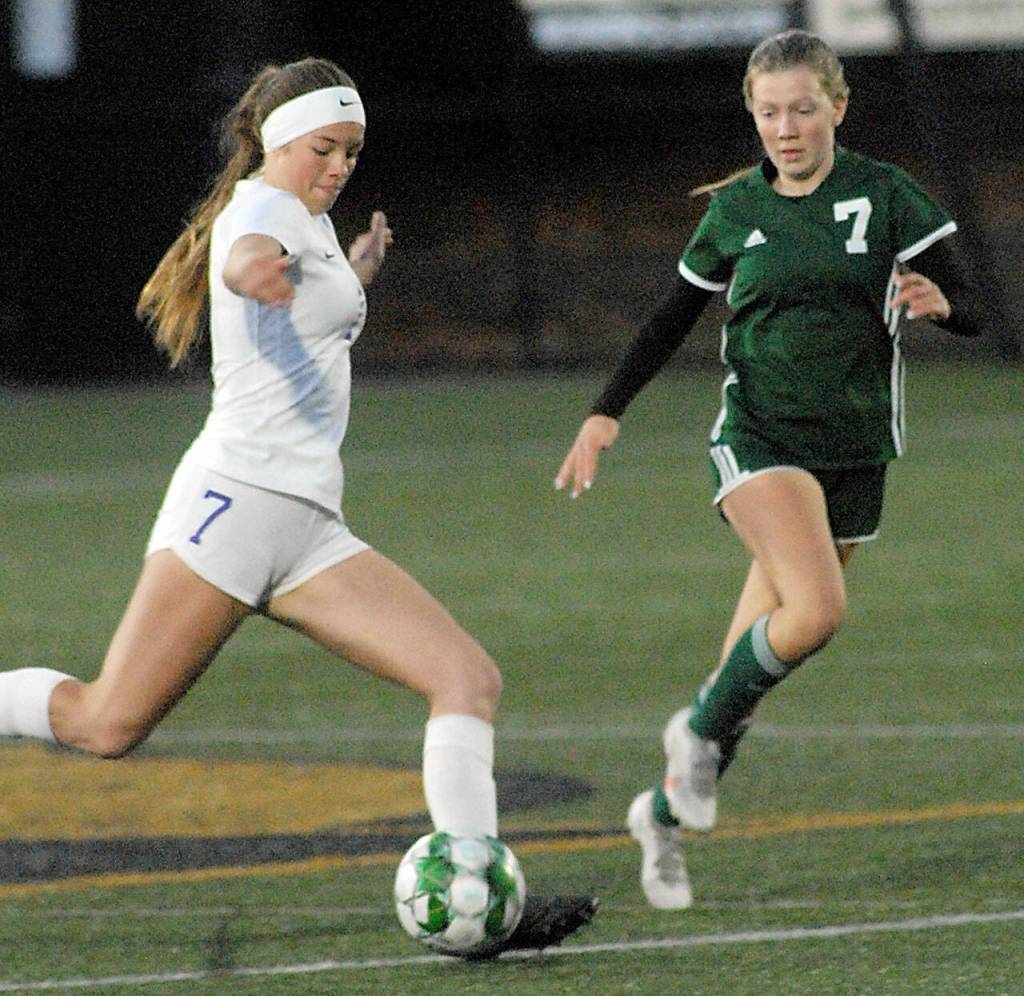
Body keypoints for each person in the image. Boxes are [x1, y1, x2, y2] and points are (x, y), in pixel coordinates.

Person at [0, 56, 594, 954]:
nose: (341, 166)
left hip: (306, 526)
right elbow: (245, 257)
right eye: (327, 147)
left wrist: (349, 273)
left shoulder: (309, 222)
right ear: (280, 141)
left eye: (353, 151)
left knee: (464, 677)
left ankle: (475, 898)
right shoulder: (266, 212)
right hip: (235, 509)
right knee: (105, 722)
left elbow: (297, 289)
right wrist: (255, 275)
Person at [555, 30, 982, 910]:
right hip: (759, 438)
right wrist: (606, 412)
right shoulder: (738, 209)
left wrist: (947, 310)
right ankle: (693, 733)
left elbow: (972, 302)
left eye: (801, 108)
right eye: (768, 112)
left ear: (838, 107)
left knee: (746, 675)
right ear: (752, 115)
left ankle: (662, 815)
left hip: (858, 450)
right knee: (817, 614)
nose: (785, 128)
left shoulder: (888, 197)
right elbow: (670, 317)